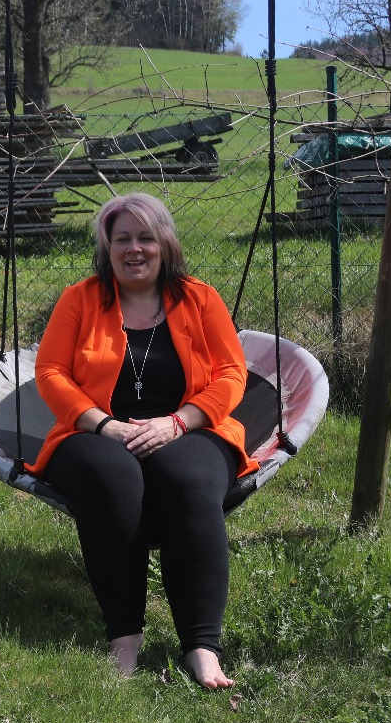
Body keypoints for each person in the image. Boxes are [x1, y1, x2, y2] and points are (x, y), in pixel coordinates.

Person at [30, 193, 256, 690]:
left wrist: (178, 423)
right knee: (112, 476)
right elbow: (50, 372)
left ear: (165, 244)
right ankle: (124, 637)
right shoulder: (79, 299)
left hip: (190, 427)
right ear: (107, 248)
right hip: (93, 431)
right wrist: (103, 425)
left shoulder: (200, 298)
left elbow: (231, 374)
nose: (135, 249)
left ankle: (201, 646)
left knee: (188, 479)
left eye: (146, 238)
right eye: (123, 239)